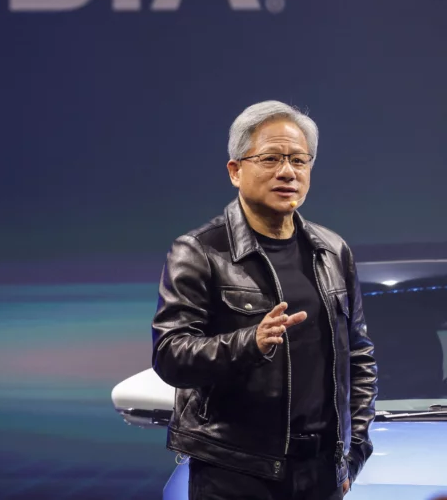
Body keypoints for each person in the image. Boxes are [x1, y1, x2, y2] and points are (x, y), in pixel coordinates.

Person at [151, 101, 378, 500]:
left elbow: (359, 357)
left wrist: (354, 451)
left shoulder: (332, 251)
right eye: (271, 158)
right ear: (235, 171)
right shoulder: (200, 252)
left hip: (321, 474)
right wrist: (249, 343)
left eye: (299, 160)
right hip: (235, 474)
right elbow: (170, 355)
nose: (287, 172)